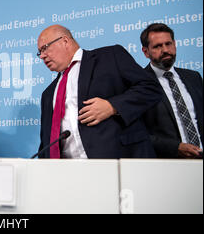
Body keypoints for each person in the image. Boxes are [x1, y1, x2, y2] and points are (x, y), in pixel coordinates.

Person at [37, 25, 161, 159]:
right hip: (69, 173)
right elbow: (47, 141)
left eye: (45, 48)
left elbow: (150, 88)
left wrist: (112, 106)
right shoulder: (48, 94)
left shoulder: (110, 57)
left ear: (65, 41)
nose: (42, 56)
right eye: (40, 52)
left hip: (117, 163)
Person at [141, 23, 203, 158]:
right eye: (157, 46)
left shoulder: (194, 77)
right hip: (168, 164)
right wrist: (175, 147)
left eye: (168, 44)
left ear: (174, 44)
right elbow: (137, 133)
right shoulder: (138, 83)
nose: (165, 50)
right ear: (146, 52)